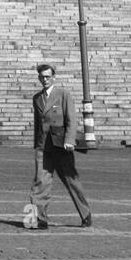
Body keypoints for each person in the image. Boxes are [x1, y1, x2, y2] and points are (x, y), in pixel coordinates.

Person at [27, 63, 92, 229]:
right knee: (40, 182)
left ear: (53, 77)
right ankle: (39, 219)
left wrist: (70, 140)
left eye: (47, 76)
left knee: (71, 181)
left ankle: (85, 213)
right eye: (42, 77)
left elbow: (71, 118)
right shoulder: (37, 98)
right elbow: (37, 124)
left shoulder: (63, 94)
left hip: (61, 145)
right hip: (44, 147)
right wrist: (37, 144)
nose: (45, 80)